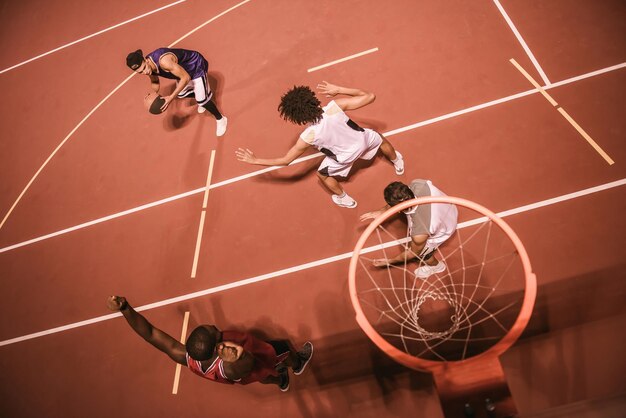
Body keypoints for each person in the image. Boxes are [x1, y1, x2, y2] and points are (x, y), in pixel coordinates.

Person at [235, 81, 404, 208]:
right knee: (379, 138)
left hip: (345, 158)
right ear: (312, 99)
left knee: (322, 175)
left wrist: (256, 160)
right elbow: (370, 96)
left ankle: (344, 198)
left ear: (296, 118)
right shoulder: (334, 107)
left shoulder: (308, 136)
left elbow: (286, 161)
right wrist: (339, 90)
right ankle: (397, 161)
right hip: (363, 140)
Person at [106, 296, 313, 391]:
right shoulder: (231, 366)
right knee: (283, 349)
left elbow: (150, 334)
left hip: (246, 374)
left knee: (264, 377)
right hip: (255, 359)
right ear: (219, 347)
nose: (215, 327)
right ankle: (297, 365)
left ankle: (281, 382)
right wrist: (240, 354)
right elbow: (249, 363)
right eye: (215, 332)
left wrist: (126, 308)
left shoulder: (187, 357)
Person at [360, 180, 458, 278]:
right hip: (449, 207)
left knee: (423, 253)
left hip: (445, 228)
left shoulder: (419, 232)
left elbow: (413, 253)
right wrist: (382, 211)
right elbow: (400, 199)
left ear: (398, 210)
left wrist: (390, 261)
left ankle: (437, 267)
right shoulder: (418, 184)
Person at [126, 48, 228, 136]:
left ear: (145, 60)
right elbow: (154, 81)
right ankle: (203, 94)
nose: (145, 72)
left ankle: (221, 119)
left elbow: (186, 78)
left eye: (144, 68)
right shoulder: (148, 67)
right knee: (181, 93)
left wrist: (170, 97)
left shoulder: (163, 61)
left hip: (196, 66)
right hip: (183, 71)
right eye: (141, 72)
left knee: (202, 101)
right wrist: (153, 95)